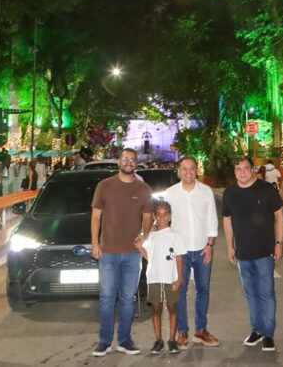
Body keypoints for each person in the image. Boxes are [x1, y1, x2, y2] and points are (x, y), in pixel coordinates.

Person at [90, 148, 154, 357]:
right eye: (125, 159)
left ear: (136, 163)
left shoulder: (144, 189)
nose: (128, 162)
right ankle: (104, 341)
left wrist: (144, 235)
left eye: (132, 160)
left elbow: (147, 217)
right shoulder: (105, 186)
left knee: (128, 298)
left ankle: (125, 340)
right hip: (108, 252)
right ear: (119, 161)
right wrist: (95, 244)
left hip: (132, 254)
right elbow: (96, 217)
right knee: (107, 297)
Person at [222, 156, 283, 353]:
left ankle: (268, 334)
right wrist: (230, 246)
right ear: (234, 172)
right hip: (243, 254)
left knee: (266, 293)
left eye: (246, 168)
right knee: (250, 294)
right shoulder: (230, 193)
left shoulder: (266, 190)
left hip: (265, 252)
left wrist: (279, 243)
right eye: (238, 169)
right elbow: (227, 220)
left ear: (253, 170)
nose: (242, 172)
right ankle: (256, 329)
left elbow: (279, 215)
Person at [162, 156, 219, 350]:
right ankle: (183, 331)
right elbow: (165, 222)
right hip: (181, 252)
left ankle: (201, 330)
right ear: (178, 171)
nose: (188, 172)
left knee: (203, 289)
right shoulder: (170, 193)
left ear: (197, 170)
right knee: (180, 291)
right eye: (184, 169)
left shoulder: (206, 192)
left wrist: (210, 245)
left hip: (203, 249)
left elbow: (212, 219)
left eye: (192, 168)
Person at [135, 201, 184, 355]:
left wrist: (179, 278)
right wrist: (140, 248)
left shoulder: (175, 236)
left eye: (165, 214)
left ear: (169, 217)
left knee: (172, 308)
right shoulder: (152, 237)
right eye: (159, 214)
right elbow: (150, 257)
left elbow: (179, 258)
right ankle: (158, 340)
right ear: (155, 217)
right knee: (156, 309)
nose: (162, 217)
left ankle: (172, 340)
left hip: (170, 278)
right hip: (154, 278)